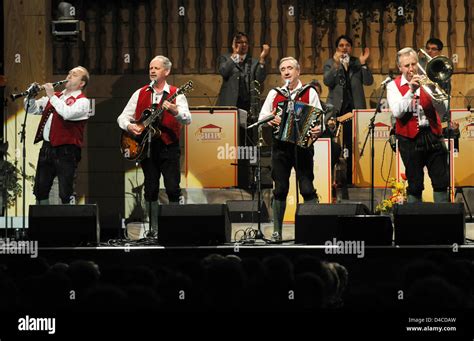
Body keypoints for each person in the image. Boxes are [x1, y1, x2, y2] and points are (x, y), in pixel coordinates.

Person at [117, 56, 191, 237]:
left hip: (169, 147)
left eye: (156, 68)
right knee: (150, 189)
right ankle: (153, 229)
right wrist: (130, 126)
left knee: (173, 187)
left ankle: (173, 229)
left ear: (166, 72)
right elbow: (122, 117)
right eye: (150, 67)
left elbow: (187, 119)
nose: (152, 71)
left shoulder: (177, 93)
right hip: (147, 148)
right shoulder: (140, 93)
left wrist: (174, 110)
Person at [259, 57, 323, 241]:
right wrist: (271, 118)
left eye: (290, 68)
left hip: (302, 147)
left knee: (307, 187)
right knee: (280, 188)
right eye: (282, 69)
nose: (286, 72)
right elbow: (263, 116)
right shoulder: (275, 93)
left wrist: (318, 129)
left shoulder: (309, 92)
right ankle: (277, 231)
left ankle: (313, 230)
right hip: (280, 148)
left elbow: (319, 119)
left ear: (298, 71)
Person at [387, 47, 449, 203]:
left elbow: (443, 110)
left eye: (413, 64)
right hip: (409, 140)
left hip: (432, 134)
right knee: (415, 184)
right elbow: (397, 112)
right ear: (400, 67)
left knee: (441, 181)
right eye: (406, 66)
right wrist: (410, 91)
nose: (411, 69)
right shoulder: (393, 86)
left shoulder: (428, 81)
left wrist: (434, 90)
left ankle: (444, 223)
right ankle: (416, 224)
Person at [25, 66, 91, 205]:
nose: (68, 76)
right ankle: (43, 224)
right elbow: (32, 109)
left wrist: (52, 96)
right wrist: (30, 96)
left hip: (67, 151)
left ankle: (64, 224)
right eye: (69, 73)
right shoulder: (56, 97)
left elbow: (67, 113)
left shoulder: (83, 101)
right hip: (47, 148)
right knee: (40, 190)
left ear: (82, 83)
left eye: (74, 74)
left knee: (65, 192)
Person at [323, 35, 373, 185]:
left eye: (347, 45)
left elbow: (368, 81)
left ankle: (352, 179)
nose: (344, 48)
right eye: (341, 45)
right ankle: (332, 180)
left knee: (353, 145)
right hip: (336, 110)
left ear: (351, 48)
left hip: (355, 110)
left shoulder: (357, 63)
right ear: (337, 48)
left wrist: (363, 64)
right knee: (334, 145)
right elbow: (327, 81)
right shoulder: (330, 63)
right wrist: (336, 65)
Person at [216, 32, 270, 115]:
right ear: (234, 44)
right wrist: (234, 55)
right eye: (240, 42)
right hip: (229, 102)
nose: (244, 44)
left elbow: (259, 79)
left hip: (248, 105)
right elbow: (224, 72)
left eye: (246, 42)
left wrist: (262, 59)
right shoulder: (225, 58)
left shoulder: (254, 62)